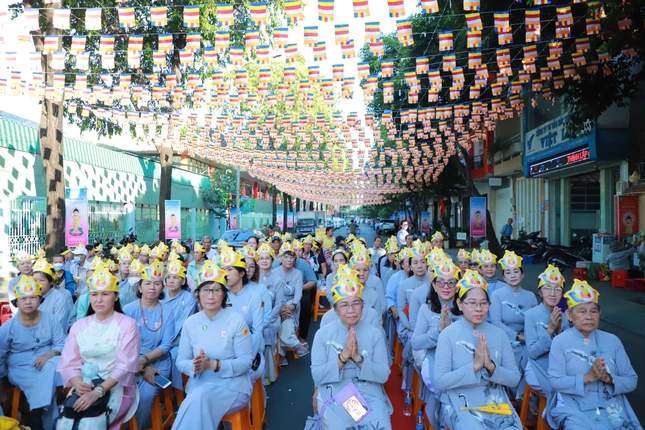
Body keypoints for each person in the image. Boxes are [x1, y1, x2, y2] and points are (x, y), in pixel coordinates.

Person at [434, 269, 523, 429]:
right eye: (472, 303)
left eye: (483, 303)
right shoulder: (448, 335)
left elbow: (514, 379)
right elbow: (441, 381)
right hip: (458, 400)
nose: (479, 308)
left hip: (495, 401)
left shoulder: (499, 334)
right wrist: (475, 366)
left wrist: (490, 366)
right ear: (460, 304)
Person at [548, 280, 641, 430]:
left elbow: (631, 380)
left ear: (599, 314)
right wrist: (588, 378)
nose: (589, 316)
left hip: (611, 405)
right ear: (569, 315)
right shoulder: (560, 341)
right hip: (574, 405)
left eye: (593, 311)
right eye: (582, 311)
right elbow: (555, 381)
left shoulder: (612, 340)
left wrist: (609, 379)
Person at [171, 263, 254, 429]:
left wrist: (214, 365)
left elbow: (246, 361)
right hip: (199, 385)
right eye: (205, 290)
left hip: (233, 385)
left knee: (197, 401)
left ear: (224, 294)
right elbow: (181, 361)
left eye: (216, 290)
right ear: (198, 294)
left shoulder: (236, 320)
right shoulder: (190, 323)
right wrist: (195, 365)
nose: (210, 296)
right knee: (198, 398)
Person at [57, 267, 141, 429]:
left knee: (90, 424)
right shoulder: (79, 326)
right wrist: (79, 384)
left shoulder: (128, 325)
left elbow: (124, 367)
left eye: (105, 294)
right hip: (84, 386)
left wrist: (98, 392)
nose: (99, 300)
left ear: (116, 296)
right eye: (94, 294)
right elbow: (69, 363)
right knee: (65, 424)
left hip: (117, 386)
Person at [309, 274, 393, 429]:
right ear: (335, 309)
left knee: (380, 425)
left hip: (368, 389)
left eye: (356, 303)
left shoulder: (374, 333)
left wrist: (357, 358)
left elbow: (383, 375)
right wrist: (343, 357)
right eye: (344, 305)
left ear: (362, 306)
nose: (351, 310)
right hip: (335, 390)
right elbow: (318, 375)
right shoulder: (323, 334)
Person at [0, 276, 66, 430]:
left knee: (54, 364)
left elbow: (62, 343)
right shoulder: (8, 327)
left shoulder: (51, 320)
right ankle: (41, 414)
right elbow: (0, 356)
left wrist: (49, 354)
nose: (28, 302)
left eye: (33, 298)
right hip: (20, 367)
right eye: (23, 299)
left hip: (48, 362)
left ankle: (36, 412)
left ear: (40, 300)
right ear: (16, 302)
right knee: (45, 380)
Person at [123, 260, 176, 429]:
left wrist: (145, 360)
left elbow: (166, 345)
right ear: (139, 287)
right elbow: (122, 343)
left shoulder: (167, 311)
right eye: (147, 283)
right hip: (130, 361)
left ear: (163, 287)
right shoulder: (128, 309)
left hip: (158, 362)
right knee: (119, 390)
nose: (152, 287)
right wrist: (138, 363)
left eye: (157, 283)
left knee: (145, 395)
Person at [411, 259, 461, 430]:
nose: (446, 286)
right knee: (442, 387)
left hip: (460, 359)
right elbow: (416, 343)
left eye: (451, 282)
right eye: (441, 282)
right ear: (434, 284)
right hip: (432, 356)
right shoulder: (426, 309)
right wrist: (438, 331)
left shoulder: (465, 308)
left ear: (458, 286)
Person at [489, 251, 537, 398]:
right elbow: (496, 322)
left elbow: (535, 322)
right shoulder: (497, 295)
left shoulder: (530, 296)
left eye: (516, 271)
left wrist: (528, 338)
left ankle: (527, 396)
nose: (513, 275)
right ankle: (518, 396)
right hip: (505, 338)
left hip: (528, 339)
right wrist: (518, 336)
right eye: (508, 272)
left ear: (522, 275)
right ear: (504, 277)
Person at [523, 265, 569, 409]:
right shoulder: (531, 315)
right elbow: (532, 352)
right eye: (547, 288)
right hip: (537, 367)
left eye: (558, 289)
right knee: (561, 395)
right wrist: (549, 330)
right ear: (540, 292)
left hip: (559, 368)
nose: (552, 293)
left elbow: (568, 351)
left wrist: (559, 329)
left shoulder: (565, 316)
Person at [220, 247, 265, 381]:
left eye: (230, 269)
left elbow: (257, 331)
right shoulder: (220, 296)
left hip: (250, 348)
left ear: (241, 273)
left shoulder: (254, 297)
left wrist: (247, 358)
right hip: (224, 348)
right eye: (223, 269)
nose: (225, 274)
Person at [273, 242, 309, 366]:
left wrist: (292, 305)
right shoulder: (274, 272)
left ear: (295, 259)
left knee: (287, 316)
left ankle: (282, 354)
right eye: (286, 256)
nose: (289, 260)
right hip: (277, 303)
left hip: (292, 303)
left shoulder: (298, 273)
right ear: (281, 258)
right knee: (284, 318)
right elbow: (273, 294)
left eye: (292, 257)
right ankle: (295, 344)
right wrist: (280, 307)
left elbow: (298, 294)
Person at [257, 243, 285, 384]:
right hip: (256, 317)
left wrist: (267, 319)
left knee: (267, 332)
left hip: (272, 317)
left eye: (267, 258)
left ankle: (268, 373)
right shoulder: (253, 280)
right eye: (261, 258)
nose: (264, 261)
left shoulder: (277, 279)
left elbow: (279, 303)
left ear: (272, 260)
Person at [32, 259, 74, 331]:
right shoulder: (28, 296)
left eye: (42, 280)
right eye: (34, 280)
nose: (37, 284)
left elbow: (58, 326)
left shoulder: (59, 298)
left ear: (51, 282)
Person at [348, 246, 386, 318]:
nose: (361, 274)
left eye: (365, 270)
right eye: (358, 270)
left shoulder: (374, 295)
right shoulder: (344, 293)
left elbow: (378, 319)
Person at [8, 251, 34, 315]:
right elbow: (13, 302)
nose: (26, 266)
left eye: (28, 263)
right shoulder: (13, 282)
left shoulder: (37, 279)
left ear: (32, 264)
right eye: (22, 264)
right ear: (17, 267)